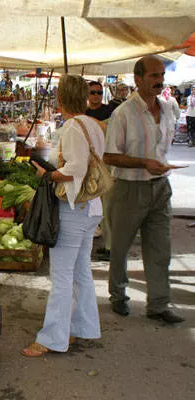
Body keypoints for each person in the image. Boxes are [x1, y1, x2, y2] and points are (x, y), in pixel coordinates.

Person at [22, 75, 105, 357]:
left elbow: (76, 168)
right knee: (81, 271)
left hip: (74, 207)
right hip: (92, 208)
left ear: (60, 98)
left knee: (61, 276)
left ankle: (52, 339)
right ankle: (81, 328)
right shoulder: (93, 125)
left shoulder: (71, 127)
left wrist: (47, 174)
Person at [103, 55, 184, 324]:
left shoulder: (169, 109)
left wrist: (158, 166)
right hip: (129, 188)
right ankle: (118, 296)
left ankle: (159, 303)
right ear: (138, 79)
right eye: (153, 76)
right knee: (120, 247)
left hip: (160, 188)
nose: (160, 81)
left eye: (161, 76)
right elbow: (110, 156)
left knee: (160, 248)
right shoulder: (123, 113)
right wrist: (144, 163)